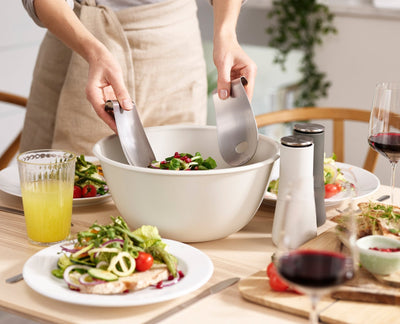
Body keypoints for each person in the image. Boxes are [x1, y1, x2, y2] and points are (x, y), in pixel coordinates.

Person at [20, 0, 257, 155]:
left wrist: (226, 33)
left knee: (174, 186)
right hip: (78, 41)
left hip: (174, 48)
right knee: (62, 192)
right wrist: (93, 51)